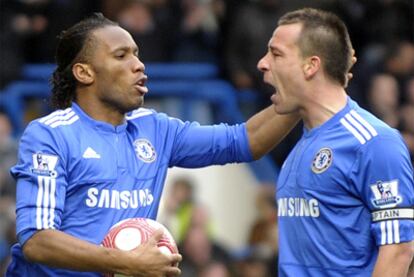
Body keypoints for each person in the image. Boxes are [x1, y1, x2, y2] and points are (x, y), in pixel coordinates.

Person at [6, 13, 299, 276]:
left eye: (137, 54)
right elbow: (37, 239)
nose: (138, 65)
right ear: (84, 72)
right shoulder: (49, 135)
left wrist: (301, 96)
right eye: (121, 56)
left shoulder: (155, 128)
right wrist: (122, 261)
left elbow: (245, 140)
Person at [257, 8, 414, 276]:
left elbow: (399, 250)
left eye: (277, 53)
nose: (263, 63)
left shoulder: (374, 142)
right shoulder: (301, 145)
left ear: (311, 66)